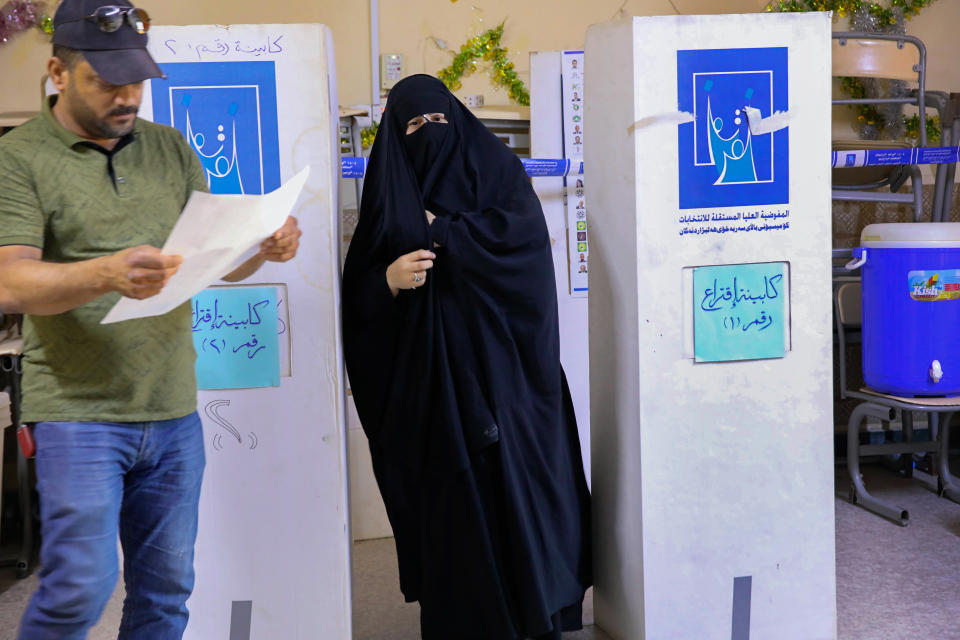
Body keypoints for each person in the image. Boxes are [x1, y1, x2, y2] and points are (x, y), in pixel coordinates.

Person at [0, 2, 301, 638]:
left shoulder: (171, 149)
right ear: (58, 72)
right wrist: (104, 273)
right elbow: (10, 282)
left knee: (166, 595)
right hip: (77, 414)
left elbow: (216, 261)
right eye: (107, 83)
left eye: (136, 80)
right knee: (79, 588)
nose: (128, 96)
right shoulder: (19, 157)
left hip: (172, 411)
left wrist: (259, 249)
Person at [343, 74, 592, 640]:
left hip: (510, 383)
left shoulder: (497, 175)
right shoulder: (390, 199)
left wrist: (450, 234)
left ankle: (538, 613)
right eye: (411, 126)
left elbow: (524, 244)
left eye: (436, 120)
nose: (427, 134)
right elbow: (357, 300)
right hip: (436, 396)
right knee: (456, 510)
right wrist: (386, 278)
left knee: (520, 494)